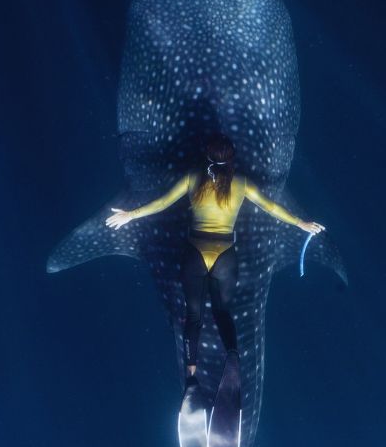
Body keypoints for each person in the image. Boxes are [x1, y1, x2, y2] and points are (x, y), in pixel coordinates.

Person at [106, 134, 324, 380]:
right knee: (223, 313)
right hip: (225, 256)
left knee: (194, 315)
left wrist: (130, 215)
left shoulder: (192, 178)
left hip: (195, 252)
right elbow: (271, 207)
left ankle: (191, 374)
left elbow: (162, 203)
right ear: (232, 160)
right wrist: (301, 223)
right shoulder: (241, 183)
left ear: (206, 157)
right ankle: (232, 357)